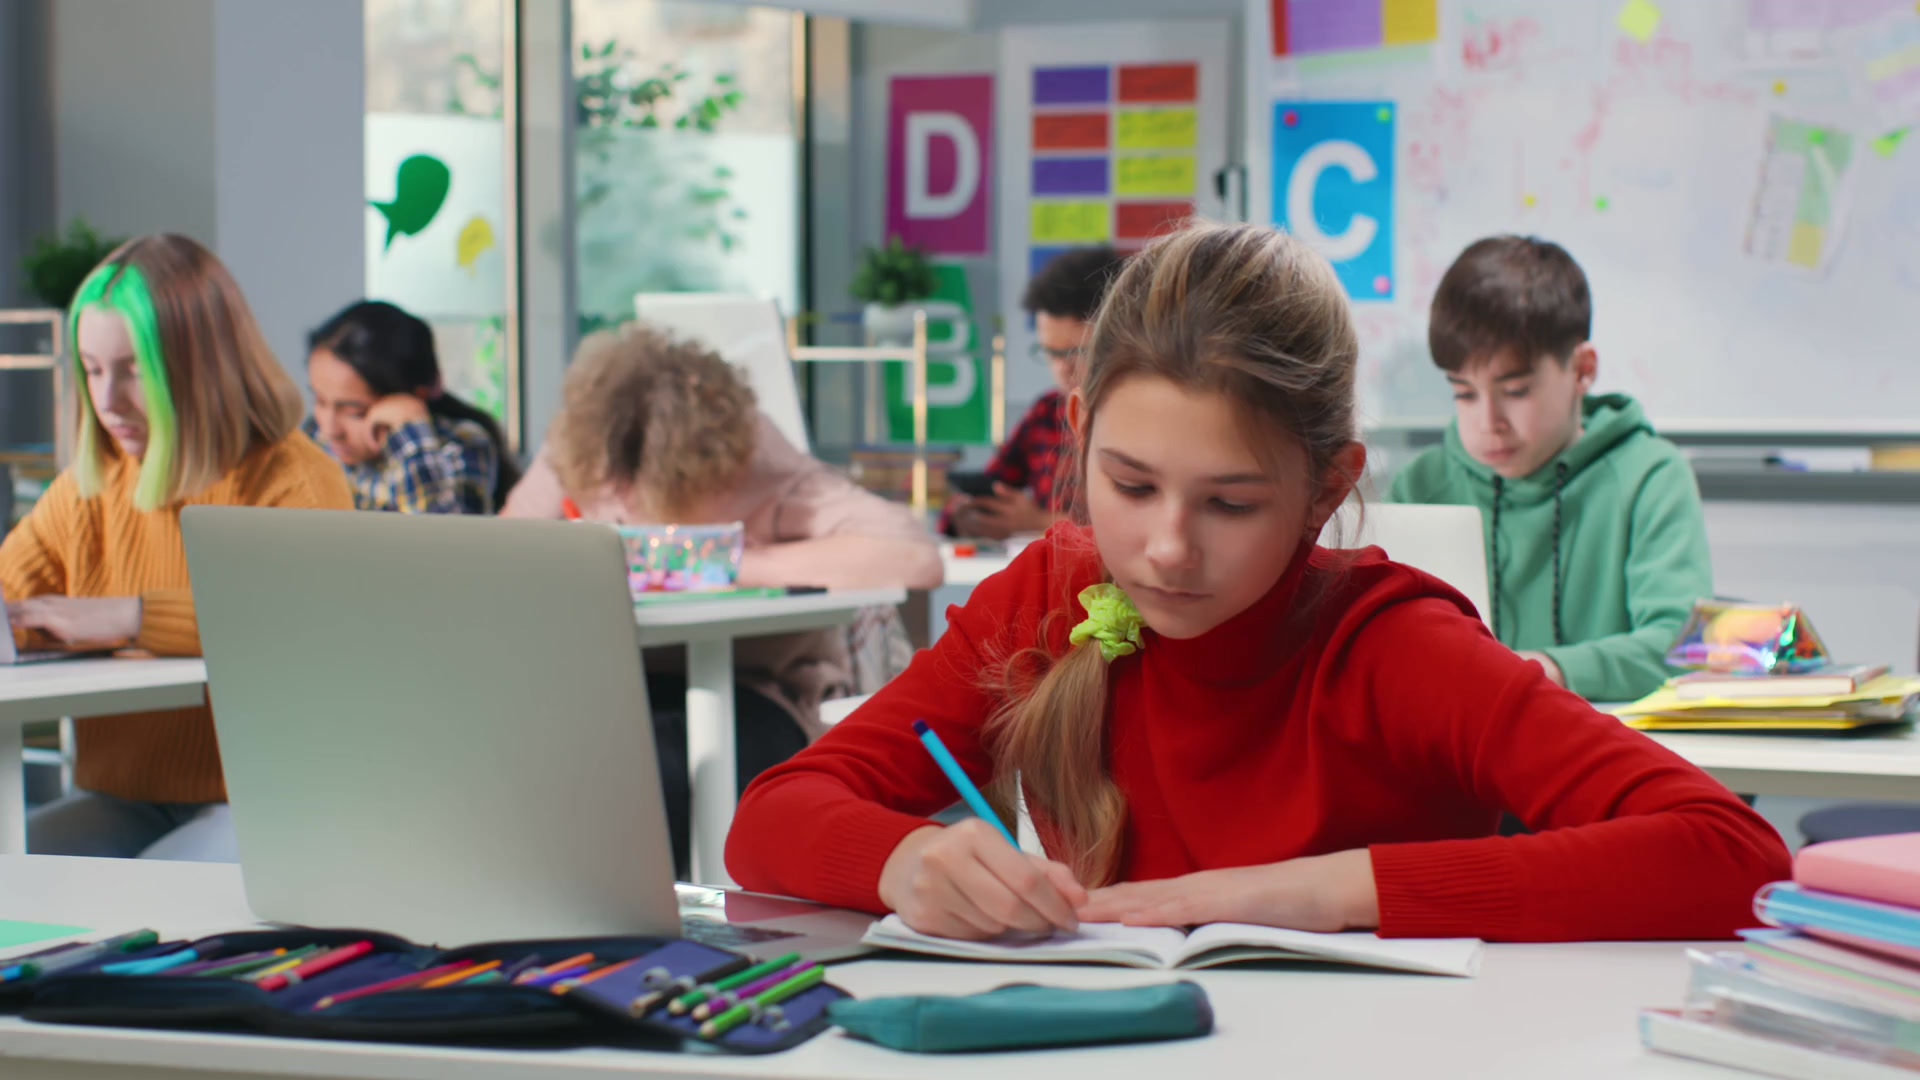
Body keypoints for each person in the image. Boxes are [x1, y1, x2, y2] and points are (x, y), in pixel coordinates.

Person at [725, 223, 1787, 943]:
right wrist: (906, 862)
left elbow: (1732, 854)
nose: (1166, 549)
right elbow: (768, 819)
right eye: (1130, 486)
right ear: (1080, 433)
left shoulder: (1393, 646)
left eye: (1230, 504)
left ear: (1326, 489)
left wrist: (1316, 892)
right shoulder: (1050, 599)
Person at [503, 322, 942, 875]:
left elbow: (914, 557)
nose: (626, 507)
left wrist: (726, 562)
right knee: (528, 759)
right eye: (611, 492)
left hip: (756, 689)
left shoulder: (759, 463)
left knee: (644, 772)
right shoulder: (584, 441)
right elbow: (506, 548)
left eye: (650, 492)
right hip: (608, 680)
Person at [1, 234, 354, 860]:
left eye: (134, 370)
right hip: (124, 800)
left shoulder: (293, 480)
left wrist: (131, 616)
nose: (106, 401)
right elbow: (14, 602)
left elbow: (303, 623)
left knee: (134, 901)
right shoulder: (89, 488)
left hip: (267, 805)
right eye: (92, 369)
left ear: (203, 365)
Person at [1387, 237, 1712, 702]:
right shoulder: (1420, 487)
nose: (1488, 422)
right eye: (1464, 393)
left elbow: (1679, 648)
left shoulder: (1651, 477)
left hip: (1604, 740)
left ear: (1582, 370)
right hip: (1458, 741)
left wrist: (1540, 671)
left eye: (1515, 391)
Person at [945, 246, 1127, 539]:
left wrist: (1039, 521)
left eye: (1078, 351)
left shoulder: (1144, 418)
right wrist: (969, 513)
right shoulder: (1046, 413)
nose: (1062, 368)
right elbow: (990, 486)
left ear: (1121, 339)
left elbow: (1142, 529)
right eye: (1051, 352)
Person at [305, 300, 518, 514]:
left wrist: (410, 432)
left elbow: (443, 532)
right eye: (320, 401)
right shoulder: (316, 438)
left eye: (354, 412)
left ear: (413, 397)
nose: (330, 430)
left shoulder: (461, 445)